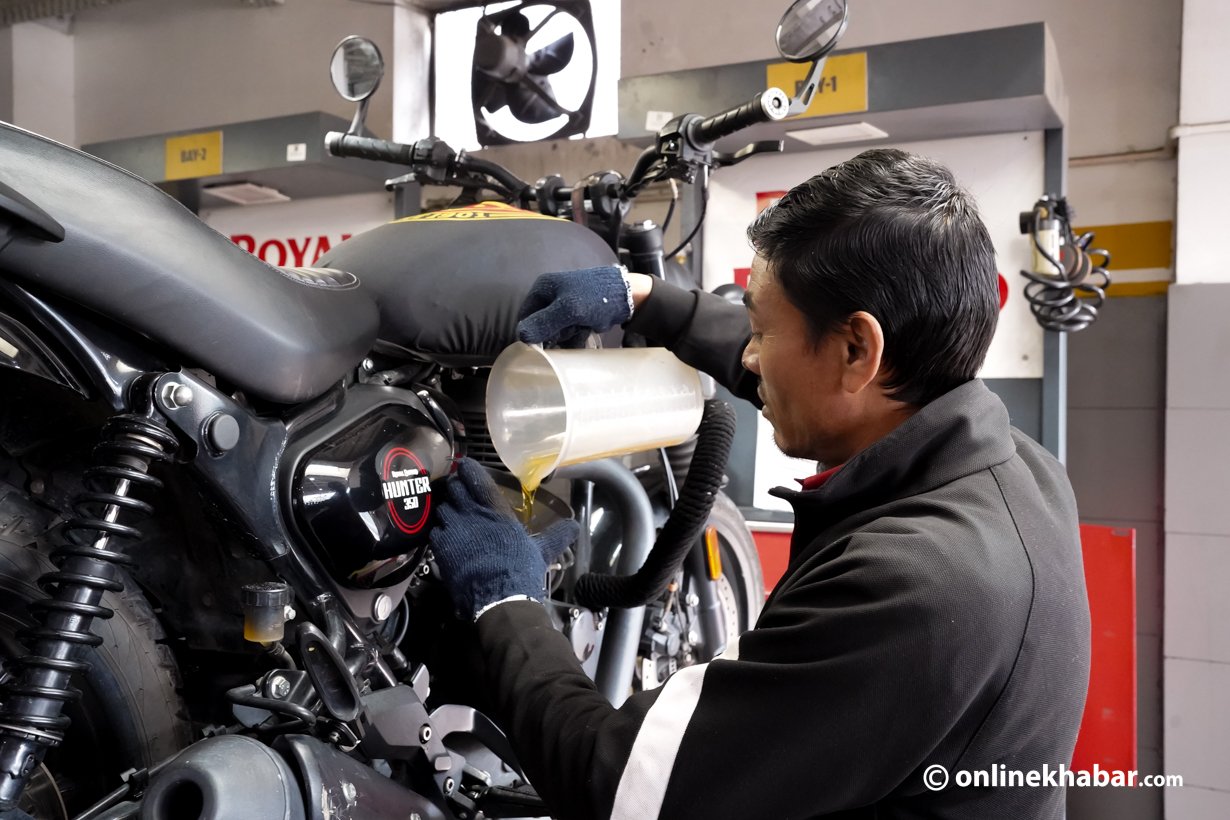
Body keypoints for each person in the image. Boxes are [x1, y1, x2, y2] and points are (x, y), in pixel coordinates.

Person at [428, 149, 1091, 820]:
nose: (748, 356)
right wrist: (648, 301)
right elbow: (817, 381)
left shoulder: (911, 591)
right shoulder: (1018, 470)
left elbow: (620, 786)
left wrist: (504, 603)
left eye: (761, 331)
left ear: (858, 350)